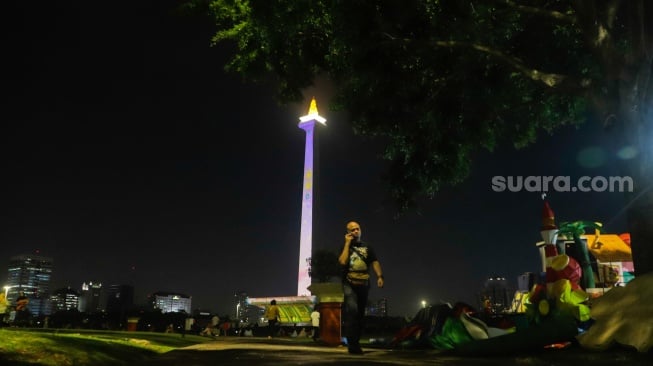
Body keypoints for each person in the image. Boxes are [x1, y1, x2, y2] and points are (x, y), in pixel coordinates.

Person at [338, 221, 384, 354]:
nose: (356, 231)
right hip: (349, 283)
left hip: (364, 283)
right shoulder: (344, 246)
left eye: (358, 228)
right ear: (348, 232)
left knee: (360, 314)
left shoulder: (368, 247)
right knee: (352, 310)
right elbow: (342, 261)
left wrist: (380, 276)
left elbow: (374, 262)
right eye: (352, 230)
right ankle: (352, 344)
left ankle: (355, 343)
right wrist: (347, 244)